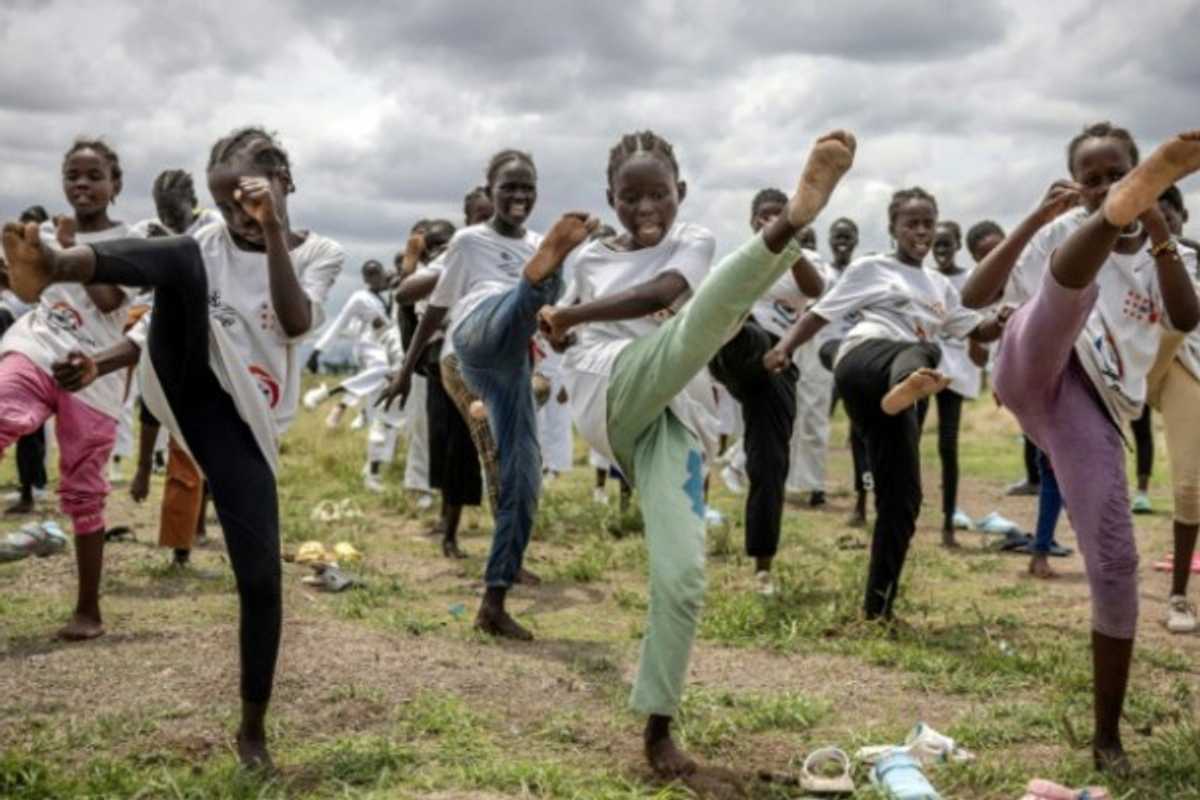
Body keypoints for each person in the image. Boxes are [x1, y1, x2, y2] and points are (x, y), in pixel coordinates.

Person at [4, 125, 345, 768]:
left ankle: (252, 732)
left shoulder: (318, 250)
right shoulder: (207, 242)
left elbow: (296, 321)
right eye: (224, 205)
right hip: (185, 380)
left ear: (283, 184)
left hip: (242, 421)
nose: (234, 217)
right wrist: (102, 366)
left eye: (245, 201)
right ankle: (55, 265)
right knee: (183, 254)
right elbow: (157, 323)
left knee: (262, 577)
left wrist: (271, 230)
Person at [541, 129, 856, 777]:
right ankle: (793, 222)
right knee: (695, 328)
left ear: (680, 192)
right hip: (610, 386)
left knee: (683, 579)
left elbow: (661, 294)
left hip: (673, 419)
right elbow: (563, 335)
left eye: (659, 193)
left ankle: (658, 729)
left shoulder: (695, 241)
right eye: (630, 197)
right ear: (611, 198)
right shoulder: (591, 258)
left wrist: (572, 317)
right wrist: (569, 329)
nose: (646, 207)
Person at [960, 124, 1200, 773]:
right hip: (1033, 364)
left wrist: (1155, 228)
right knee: (1055, 307)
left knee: (1117, 563)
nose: (1100, 185)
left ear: (1134, 174)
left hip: (1088, 409)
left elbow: (1187, 315)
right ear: (1077, 182)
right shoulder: (1056, 232)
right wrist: (1040, 215)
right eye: (1092, 178)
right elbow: (973, 295)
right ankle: (1074, 266)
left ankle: (1107, 737)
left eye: (1115, 175)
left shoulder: (1162, 249)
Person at [766, 187, 1007, 622]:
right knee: (925, 351)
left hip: (891, 398)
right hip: (863, 359)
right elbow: (820, 313)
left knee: (904, 498)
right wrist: (784, 347)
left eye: (927, 223)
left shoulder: (939, 287)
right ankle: (909, 385)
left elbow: (980, 330)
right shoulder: (872, 268)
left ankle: (877, 609)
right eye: (910, 223)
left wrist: (1003, 320)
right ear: (893, 227)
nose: (920, 230)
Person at [381, 149, 578, 639]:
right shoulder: (469, 241)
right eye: (509, 186)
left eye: (527, 187)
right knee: (517, 296)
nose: (519, 195)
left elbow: (552, 325)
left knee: (523, 481)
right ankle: (534, 281)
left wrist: (561, 336)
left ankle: (494, 600)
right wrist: (406, 370)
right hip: (471, 337)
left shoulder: (536, 241)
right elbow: (434, 309)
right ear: (489, 191)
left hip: (512, 359)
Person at [0, 138, 147, 640]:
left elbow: (109, 302)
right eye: (73, 175)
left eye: (93, 175)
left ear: (115, 184)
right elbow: (28, 291)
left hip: (94, 372)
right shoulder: (40, 232)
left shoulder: (132, 239)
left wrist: (66, 252)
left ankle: (88, 610)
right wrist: (22, 264)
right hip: (39, 345)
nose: (82, 184)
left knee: (85, 491)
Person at [709, 187, 823, 594]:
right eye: (763, 215)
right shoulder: (737, 260)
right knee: (740, 326)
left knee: (770, 464)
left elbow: (816, 290)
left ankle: (762, 567)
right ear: (751, 220)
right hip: (734, 350)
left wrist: (789, 243)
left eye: (780, 214)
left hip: (776, 365)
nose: (770, 220)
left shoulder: (801, 261)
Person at [1145, 185, 1200, 633]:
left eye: (1169, 216)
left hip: (1190, 365)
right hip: (1153, 366)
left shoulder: (1194, 256)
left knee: (1188, 485)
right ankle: (1179, 596)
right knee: (1186, 485)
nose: (1163, 225)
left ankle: (1179, 595)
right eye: (1152, 216)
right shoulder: (1125, 258)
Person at [924, 220, 987, 547]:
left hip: (956, 372)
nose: (941, 251)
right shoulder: (926, 279)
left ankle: (947, 524)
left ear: (958, 244)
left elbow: (978, 326)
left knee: (947, 446)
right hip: (925, 366)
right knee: (907, 441)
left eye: (947, 244)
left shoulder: (969, 281)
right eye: (936, 245)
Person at [816, 217, 872, 526]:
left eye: (848, 236)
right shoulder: (823, 275)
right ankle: (817, 484)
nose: (842, 241)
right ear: (829, 239)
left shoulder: (862, 275)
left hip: (858, 351)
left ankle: (863, 499)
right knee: (820, 419)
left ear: (856, 239)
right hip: (830, 349)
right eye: (837, 236)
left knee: (859, 428)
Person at [2, 205, 50, 515]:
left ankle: (30, 491)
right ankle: (34, 485)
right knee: (31, 430)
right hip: (29, 354)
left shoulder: (49, 263)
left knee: (29, 433)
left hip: (35, 354)